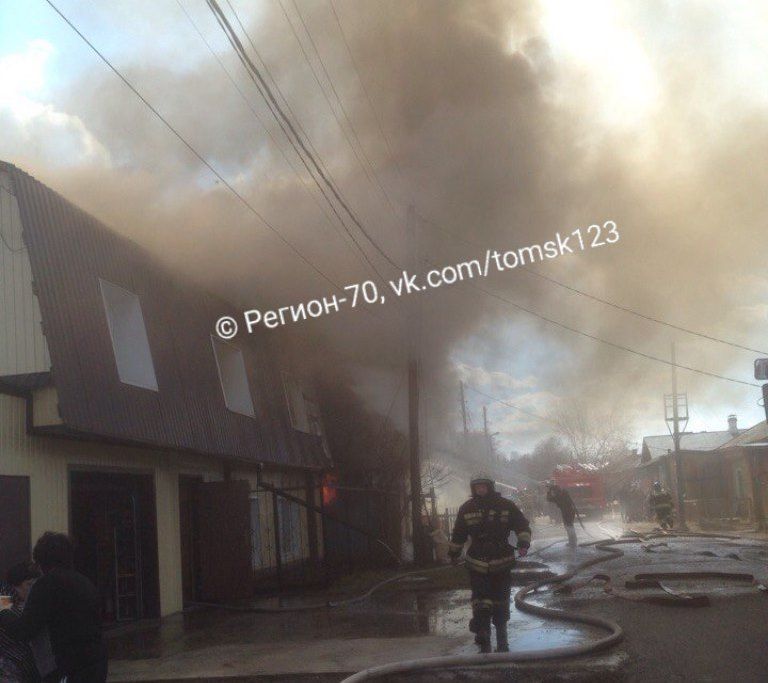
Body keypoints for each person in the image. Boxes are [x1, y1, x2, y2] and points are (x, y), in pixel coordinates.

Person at [0, 532, 107, 683]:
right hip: (97, 664)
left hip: (71, 668)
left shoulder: (47, 584)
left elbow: (24, 629)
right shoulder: (85, 582)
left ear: (41, 561)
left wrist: (2, 607)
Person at [448, 473, 531, 653]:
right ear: (473, 489)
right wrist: (453, 553)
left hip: (501, 559)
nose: (480, 489)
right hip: (477, 561)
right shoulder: (466, 508)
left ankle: (501, 635)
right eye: (477, 487)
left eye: (483, 486)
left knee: (501, 598)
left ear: (490, 487)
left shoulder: (506, 506)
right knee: (480, 598)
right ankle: (483, 631)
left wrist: (523, 544)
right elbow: (458, 534)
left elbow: (522, 526)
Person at [0, 563, 42, 682]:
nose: (32, 589)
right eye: (29, 584)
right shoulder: (3, 597)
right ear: (16, 585)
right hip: (9, 665)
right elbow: (15, 624)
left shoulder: (20, 603)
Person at [546, 483, 578, 548]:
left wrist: (549, 490)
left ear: (556, 491)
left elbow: (549, 499)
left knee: (569, 526)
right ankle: (572, 541)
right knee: (569, 526)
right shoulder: (563, 493)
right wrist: (551, 488)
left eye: (554, 492)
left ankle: (573, 542)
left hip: (568, 512)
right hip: (569, 511)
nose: (553, 493)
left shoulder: (559, 496)